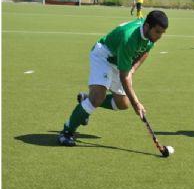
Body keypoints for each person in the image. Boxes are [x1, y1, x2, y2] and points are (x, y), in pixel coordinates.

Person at [58, 10, 169, 146]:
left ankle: (87, 99)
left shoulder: (150, 36)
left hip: (118, 60)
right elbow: (124, 77)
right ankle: (66, 132)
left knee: (122, 103)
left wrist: (133, 69)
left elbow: (145, 51)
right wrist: (137, 104)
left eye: (162, 33)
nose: (160, 36)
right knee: (98, 98)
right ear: (147, 26)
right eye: (158, 32)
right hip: (104, 55)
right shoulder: (129, 38)